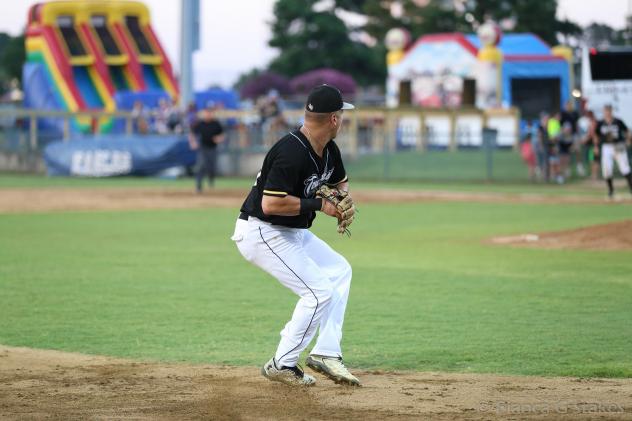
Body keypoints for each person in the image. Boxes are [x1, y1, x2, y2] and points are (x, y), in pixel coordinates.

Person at [231, 85, 359, 387]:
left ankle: (325, 353)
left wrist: (341, 200)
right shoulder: (290, 151)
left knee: (339, 270)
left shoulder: (329, 149)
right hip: (262, 231)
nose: (343, 119)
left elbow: (340, 183)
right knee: (318, 293)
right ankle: (282, 363)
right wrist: (320, 204)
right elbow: (271, 204)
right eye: (342, 114)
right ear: (333, 120)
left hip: (292, 231)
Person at [594, 104, 632, 198]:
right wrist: (596, 147)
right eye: (605, 111)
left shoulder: (618, 121)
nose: (607, 113)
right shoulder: (601, 123)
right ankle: (611, 191)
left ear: (611, 111)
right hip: (606, 147)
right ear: (603, 112)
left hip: (618, 146)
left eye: (608, 111)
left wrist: (628, 140)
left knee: (625, 168)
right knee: (607, 169)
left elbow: (627, 131)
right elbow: (596, 135)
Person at [189, 103, 224, 192]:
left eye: (210, 112)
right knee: (200, 166)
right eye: (206, 112)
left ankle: (211, 179)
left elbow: (222, 135)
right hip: (203, 148)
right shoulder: (200, 124)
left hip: (212, 148)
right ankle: (198, 187)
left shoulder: (216, 124)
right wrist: (193, 142)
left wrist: (219, 138)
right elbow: (192, 133)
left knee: (211, 167)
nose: (208, 114)